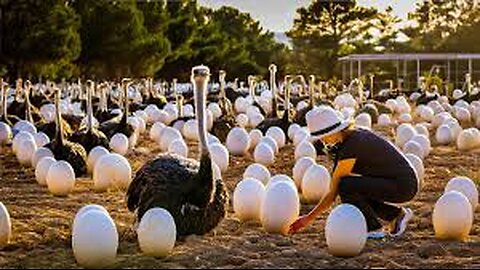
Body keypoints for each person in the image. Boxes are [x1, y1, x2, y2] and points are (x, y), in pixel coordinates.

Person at [289, 106, 418, 238]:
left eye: (323, 137)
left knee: (345, 186)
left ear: (333, 132)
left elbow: (333, 191)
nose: (323, 141)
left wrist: (308, 218)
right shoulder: (351, 138)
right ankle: (396, 215)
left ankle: (374, 228)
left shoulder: (352, 146)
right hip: (401, 181)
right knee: (352, 189)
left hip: (403, 185)